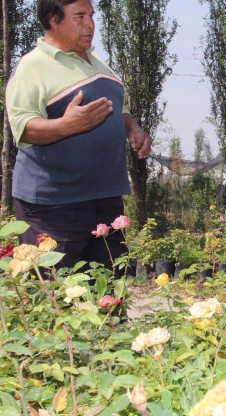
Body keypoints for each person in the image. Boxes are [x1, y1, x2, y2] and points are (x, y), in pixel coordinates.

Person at [6, 0, 151, 274]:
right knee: (56, 289)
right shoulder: (33, 66)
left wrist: (132, 127)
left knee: (109, 286)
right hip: (53, 206)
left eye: (92, 16)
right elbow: (23, 127)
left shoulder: (99, 64)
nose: (90, 24)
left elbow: (117, 109)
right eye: (80, 16)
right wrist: (66, 125)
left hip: (106, 199)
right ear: (53, 19)